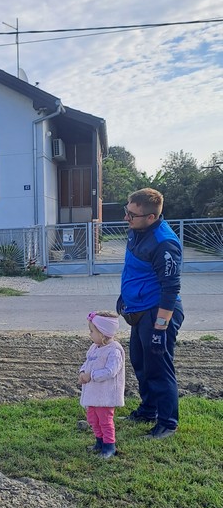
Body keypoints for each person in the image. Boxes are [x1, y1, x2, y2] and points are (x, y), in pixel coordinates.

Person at [117, 188, 184, 438]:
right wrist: (125, 296)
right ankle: (148, 410)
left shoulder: (164, 243)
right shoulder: (137, 231)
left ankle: (167, 422)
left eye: (131, 214)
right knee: (141, 362)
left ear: (151, 218)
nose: (126, 218)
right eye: (127, 211)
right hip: (140, 309)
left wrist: (160, 327)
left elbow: (170, 288)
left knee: (158, 367)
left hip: (159, 311)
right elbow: (135, 270)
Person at [78, 311, 125, 459]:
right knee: (93, 418)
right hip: (93, 393)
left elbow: (110, 372)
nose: (90, 334)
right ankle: (99, 441)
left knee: (105, 420)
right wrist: (82, 371)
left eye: (92, 331)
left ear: (103, 334)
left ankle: (109, 446)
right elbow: (88, 362)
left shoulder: (114, 351)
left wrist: (90, 376)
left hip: (105, 394)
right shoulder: (94, 347)